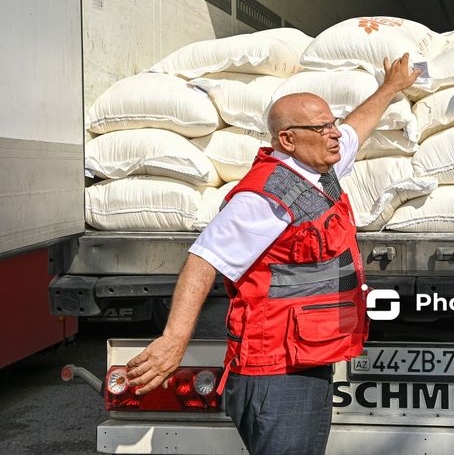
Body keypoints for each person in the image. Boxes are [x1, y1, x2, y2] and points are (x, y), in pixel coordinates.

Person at [125, 54, 420, 454]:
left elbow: (355, 130)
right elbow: (203, 259)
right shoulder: (264, 197)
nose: (334, 134)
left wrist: (390, 88)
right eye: (322, 127)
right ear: (288, 139)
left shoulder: (318, 171)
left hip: (303, 358)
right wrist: (175, 338)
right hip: (276, 372)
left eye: (331, 123)